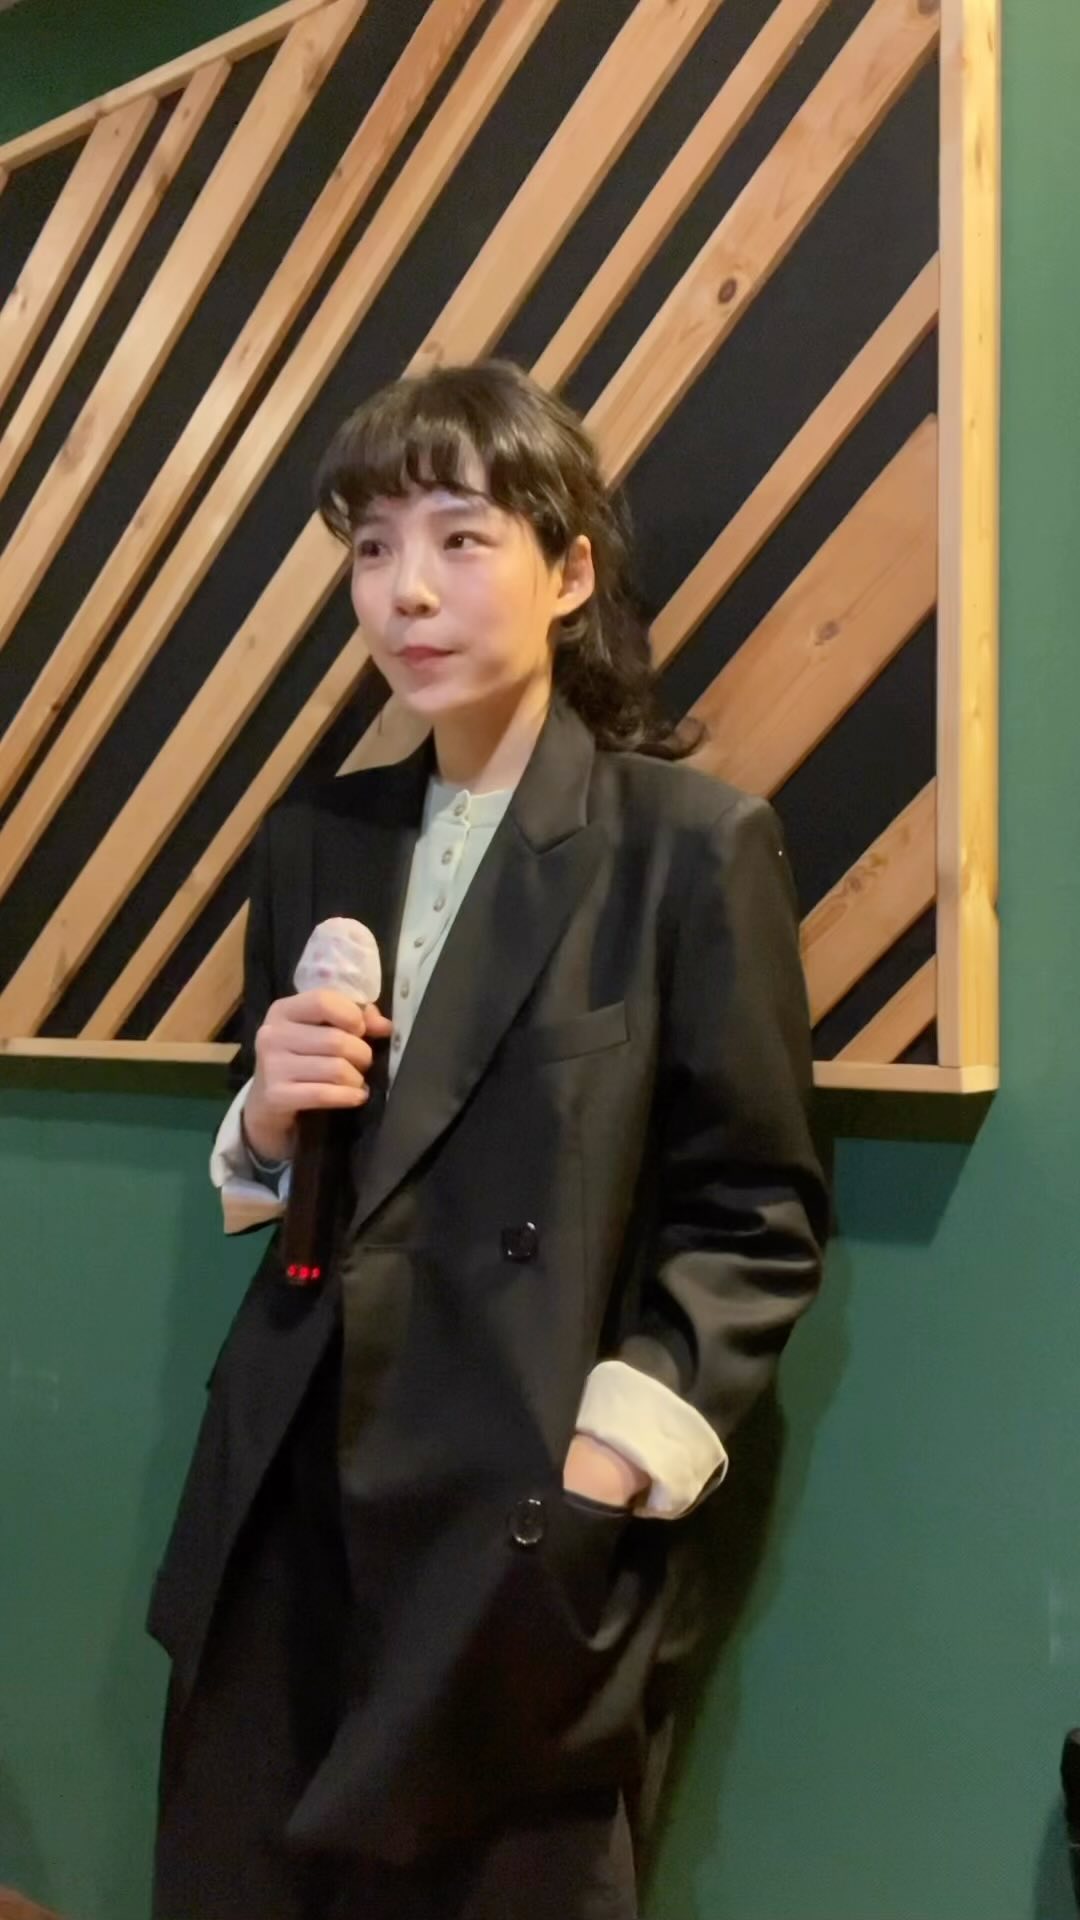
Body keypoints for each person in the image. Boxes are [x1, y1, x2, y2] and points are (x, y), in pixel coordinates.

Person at [149, 358, 829, 1920]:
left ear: (568, 573)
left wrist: (607, 1466)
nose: (408, 592)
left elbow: (753, 1216)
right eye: (373, 547)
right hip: (285, 1493)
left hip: (512, 1521)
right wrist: (264, 1112)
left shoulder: (686, 849)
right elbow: (296, 1170)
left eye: (461, 539)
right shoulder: (317, 837)